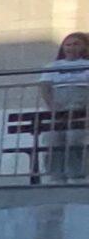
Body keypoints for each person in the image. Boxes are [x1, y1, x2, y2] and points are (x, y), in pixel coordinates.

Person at [42, 31, 89, 183]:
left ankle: (77, 175)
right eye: (68, 44)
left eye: (76, 44)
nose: (71, 47)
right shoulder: (53, 66)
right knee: (53, 140)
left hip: (81, 106)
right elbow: (45, 87)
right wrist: (52, 106)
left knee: (75, 139)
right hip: (59, 108)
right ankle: (56, 176)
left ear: (85, 47)